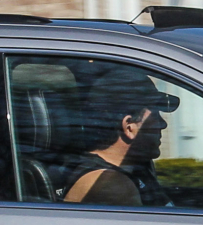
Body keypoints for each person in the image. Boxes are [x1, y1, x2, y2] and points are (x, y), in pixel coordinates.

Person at [61, 66, 181, 205]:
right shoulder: (110, 185)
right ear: (129, 127)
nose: (163, 124)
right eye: (155, 115)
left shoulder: (138, 168)